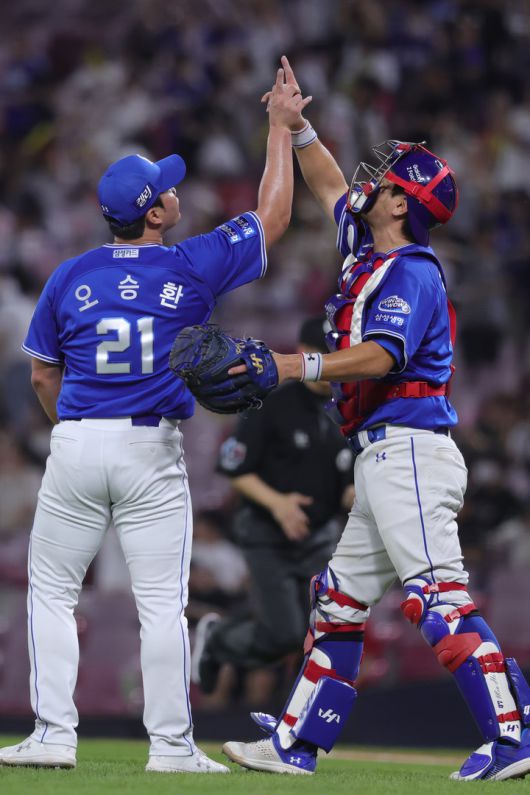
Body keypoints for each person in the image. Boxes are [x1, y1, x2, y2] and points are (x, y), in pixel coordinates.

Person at [222, 56, 530, 782]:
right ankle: (297, 742)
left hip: (410, 451)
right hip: (384, 455)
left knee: (438, 597)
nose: (374, 180)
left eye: (390, 180)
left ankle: (514, 734)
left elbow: (380, 357)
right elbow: (330, 183)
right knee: (338, 602)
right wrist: (297, 128)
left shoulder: (412, 272)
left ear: (401, 206)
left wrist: (295, 365)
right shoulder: (369, 248)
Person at [0, 65, 312, 773]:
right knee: (161, 605)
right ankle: (171, 746)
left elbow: (44, 375)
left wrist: (71, 426)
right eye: (166, 188)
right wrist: (278, 129)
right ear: (155, 214)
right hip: (150, 450)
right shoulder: (190, 266)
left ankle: (53, 733)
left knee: (52, 592)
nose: (175, 191)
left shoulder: (69, 275)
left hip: (78, 443)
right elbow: (272, 219)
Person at [191, 316, 354, 696]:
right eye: (324, 353)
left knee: (318, 632)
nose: (332, 362)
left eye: (339, 353)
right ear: (304, 352)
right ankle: (219, 639)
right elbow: (234, 467)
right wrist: (278, 503)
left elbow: (348, 483)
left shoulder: (347, 409)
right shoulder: (272, 403)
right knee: (284, 634)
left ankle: (305, 713)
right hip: (268, 534)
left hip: (319, 538)